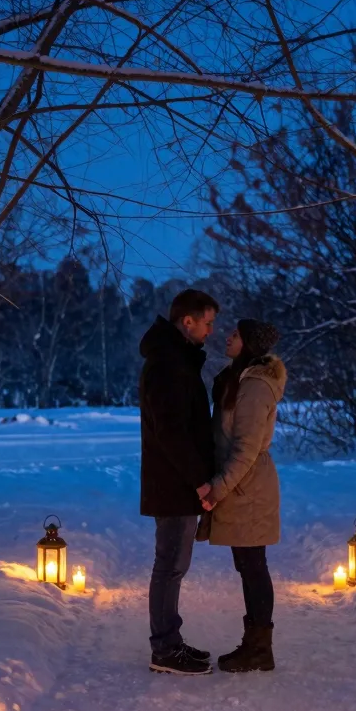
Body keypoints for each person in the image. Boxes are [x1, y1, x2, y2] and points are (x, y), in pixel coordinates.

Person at [138, 289, 220, 675]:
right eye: (207, 323)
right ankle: (165, 649)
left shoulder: (177, 360)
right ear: (187, 321)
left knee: (173, 565)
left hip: (176, 483)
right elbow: (171, 431)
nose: (211, 331)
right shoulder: (168, 363)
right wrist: (199, 480)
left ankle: (170, 641)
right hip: (173, 484)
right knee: (169, 565)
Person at [200, 319, 285, 672]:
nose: (227, 337)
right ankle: (254, 646)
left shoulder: (254, 387)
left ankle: (259, 649)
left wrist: (217, 488)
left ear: (248, 343)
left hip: (248, 488)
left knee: (253, 567)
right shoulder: (241, 381)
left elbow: (246, 448)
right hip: (244, 486)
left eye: (235, 334)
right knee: (248, 566)